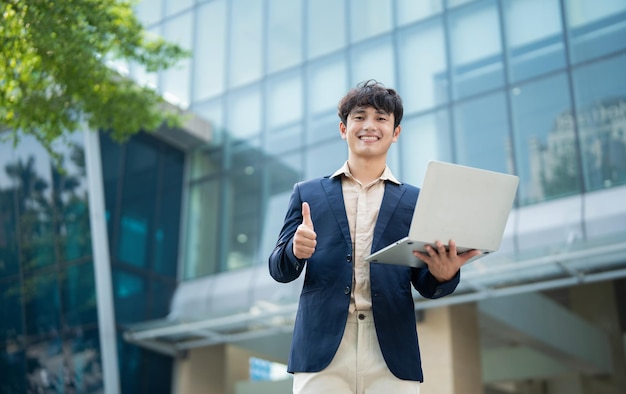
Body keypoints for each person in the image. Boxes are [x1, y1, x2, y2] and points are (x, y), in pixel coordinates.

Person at [268, 80, 480, 393]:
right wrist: (295, 251)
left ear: (396, 132)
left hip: (391, 349)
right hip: (322, 349)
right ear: (343, 129)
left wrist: (444, 275)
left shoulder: (415, 201)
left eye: (381, 119)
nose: (370, 125)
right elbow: (278, 269)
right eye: (359, 117)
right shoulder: (308, 193)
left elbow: (426, 283)